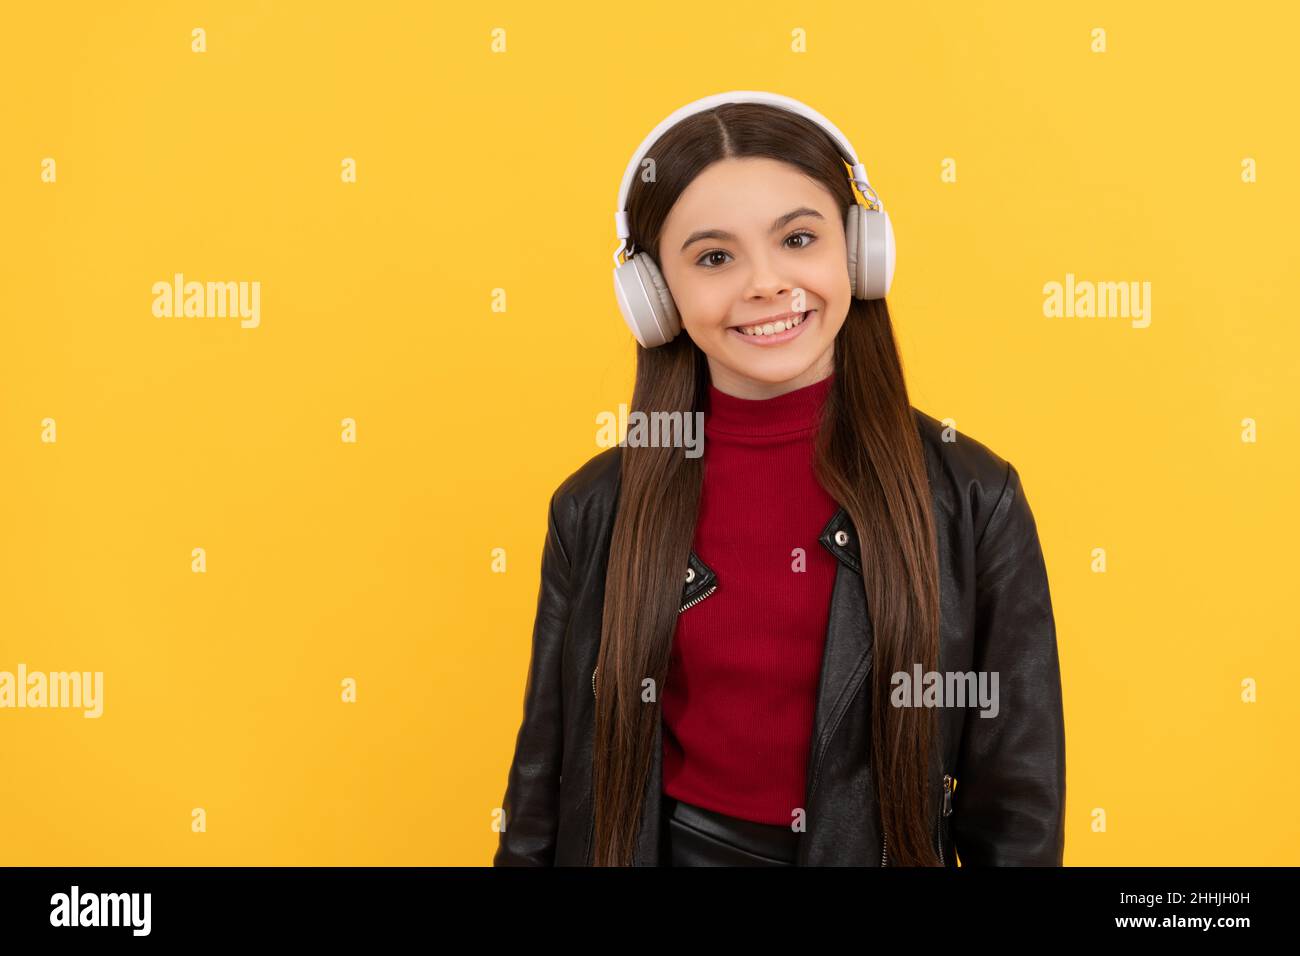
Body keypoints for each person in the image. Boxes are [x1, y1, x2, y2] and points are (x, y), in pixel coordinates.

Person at [494, 91, 1066, 867]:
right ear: (656, 297)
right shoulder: (594, 510)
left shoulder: (974, 497)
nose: (765, 283)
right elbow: (541, 789)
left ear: (859, 253)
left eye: (798, 238)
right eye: (715, 257)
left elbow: (1019, 812)